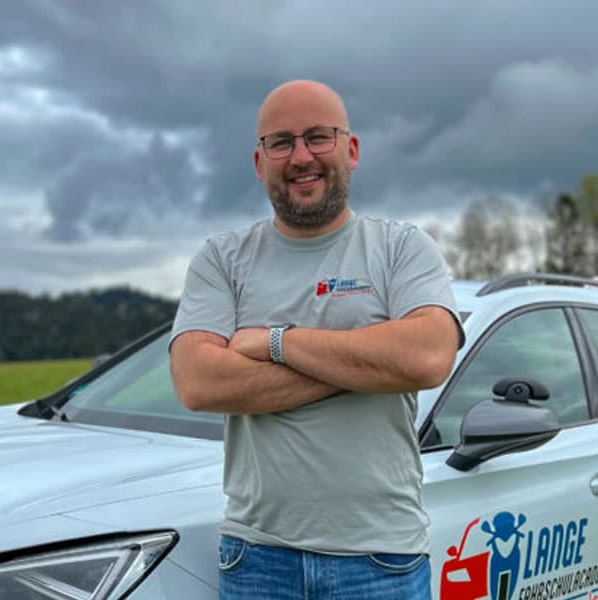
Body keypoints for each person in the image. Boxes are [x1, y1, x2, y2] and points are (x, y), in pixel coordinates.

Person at [169, 80, 463, 600]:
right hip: (256, 557)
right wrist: (367, 362)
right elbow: (198, 382)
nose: (301, 156)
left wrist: (274, 341)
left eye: (318, 137)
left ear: (350, 150)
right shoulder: (221, 259)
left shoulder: (402, 249)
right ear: (259, 162)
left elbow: (427, 355)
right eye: (281, 142)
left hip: (381, 559)